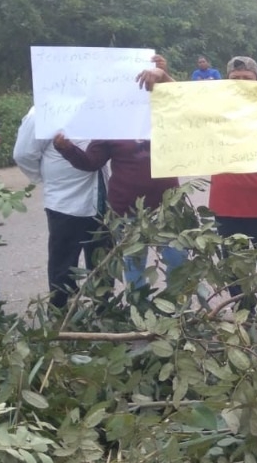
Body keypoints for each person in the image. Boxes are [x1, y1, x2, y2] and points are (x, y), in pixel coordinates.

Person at [135, 55, 257, 315]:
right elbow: (184, 101)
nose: (241, 83)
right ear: (226, 81)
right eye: (235, 79)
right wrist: (163, 77)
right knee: (232, 270)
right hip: (225, 204)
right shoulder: (216, 108)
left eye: (247, 79)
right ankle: (243, 318)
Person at [54, 55, 185, 293]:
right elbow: (91, 162)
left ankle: (179, 315)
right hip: (128, 212)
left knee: (179, 263)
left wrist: (164, 76)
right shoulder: (110, 122)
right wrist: (67, 149)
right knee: (135, 269)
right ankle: (141, 317)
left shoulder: (163, 110)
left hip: (168, 207)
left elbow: (187, 105)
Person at [14, 106, 109, 310]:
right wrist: (47, 178)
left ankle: (104, 312)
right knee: (64, 263)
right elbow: (23, 154)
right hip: (65, 202)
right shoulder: (42, 112)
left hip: (101, 198)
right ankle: (61, 313)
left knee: (103, 261)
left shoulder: (102, 105)